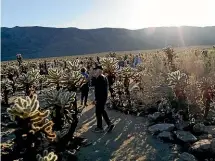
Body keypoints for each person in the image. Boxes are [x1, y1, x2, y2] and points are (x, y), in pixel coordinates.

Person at [93, 65, 114, 133]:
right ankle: (108, 124)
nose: (95, 71)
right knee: (101, 111)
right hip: (103, 97)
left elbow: (98, 90)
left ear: (99, 71)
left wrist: (96, 99)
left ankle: (101, 127)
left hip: (100, 98)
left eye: (96, 70)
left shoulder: (100, 78)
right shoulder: (104, 77)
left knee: (98, 112)